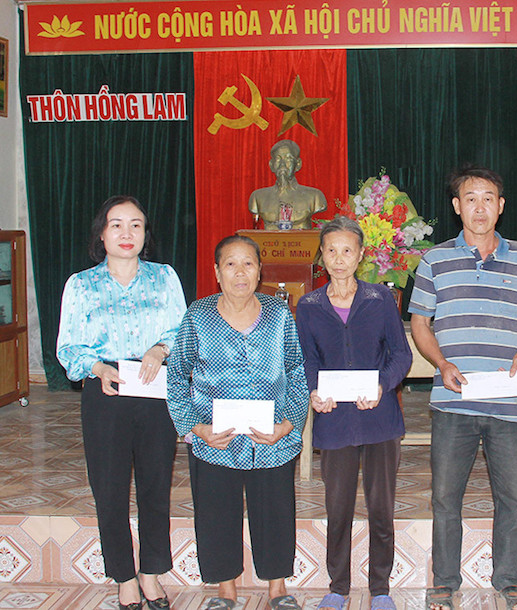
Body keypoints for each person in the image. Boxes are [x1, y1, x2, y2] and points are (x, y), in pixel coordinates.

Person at [409, 165, 517, 610]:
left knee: (514, 498)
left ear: (501, 206)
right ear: (457, 207)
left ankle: (508, 579)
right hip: (454, 400)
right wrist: (441, 363)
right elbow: (420, 323)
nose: (480, 207)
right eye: (471, 199)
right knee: (445, 497)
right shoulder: (434, 260)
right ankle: (444, 582)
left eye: (488, 198)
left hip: (509, 399)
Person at [57, 195, 186, 610]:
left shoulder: (164, 277)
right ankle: (124, 577)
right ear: (102, 233)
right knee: (109, 489)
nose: (126, 233)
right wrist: (97, 367)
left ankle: (151, 572)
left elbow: (181, 330)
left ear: (146, 233)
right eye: (117, 225)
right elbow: (67, 348)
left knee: (155, 485)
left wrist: (160, 349)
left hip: (153, 386)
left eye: (136, 225)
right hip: (106, 389)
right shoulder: (81, 284)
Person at [166, 235, 309, 610]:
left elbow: (296, 372)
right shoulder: (198, 315)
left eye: (249, 263)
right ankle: (225, 588)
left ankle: (277, 587)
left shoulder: (279, 315)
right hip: (215, 440)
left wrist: (288, 425)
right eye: (231, 264)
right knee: (216, 511)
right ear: (217, 272)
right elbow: (177, 375)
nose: (240, 272)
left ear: (260, 271)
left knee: (276, 510)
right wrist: (196, 428)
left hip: (271, 439)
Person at [295, 216, 413, 610]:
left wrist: (382, 385)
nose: (339, 258)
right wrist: (314, 391)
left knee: (381, 507)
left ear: (361, 255)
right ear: (322, 256)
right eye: (331, 251)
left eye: (347, 250)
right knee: (338, 507)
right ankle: (338, 587)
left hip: (379, 420)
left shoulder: (380, 300)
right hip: (335, 422)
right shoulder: (309, 306)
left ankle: (380, 588)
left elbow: (401, 355)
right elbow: (307, 359)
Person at [248, 139, 328, 230]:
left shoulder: (315, 196)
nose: (282, 164)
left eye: (288, 159)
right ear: (271, 165)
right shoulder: (257, 197)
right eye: (278, 159)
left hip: (302, 238)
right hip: (269, 239)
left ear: (298, 164)